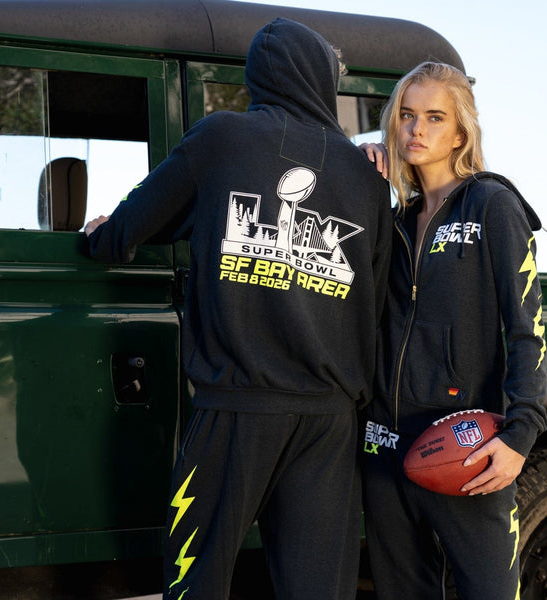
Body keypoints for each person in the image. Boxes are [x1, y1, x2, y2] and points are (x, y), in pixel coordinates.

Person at [84, 18, 392, 600]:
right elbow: (375, 302)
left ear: (260, 78)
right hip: (330, 420)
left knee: (195, 579)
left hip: (236, 410)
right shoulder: (369, 176)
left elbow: (126, 231)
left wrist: (105, 231)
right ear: (320, 80)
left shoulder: (221, 139)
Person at [359, 61, 547, 599]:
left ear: (461, 133)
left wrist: (520, 436)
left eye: (434, 117)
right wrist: (360, 173)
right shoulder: (394, 218)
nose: (416, 129)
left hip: (462, 447)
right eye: (407, 115)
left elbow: (527, 330)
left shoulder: (493, 205)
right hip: (385, 448)